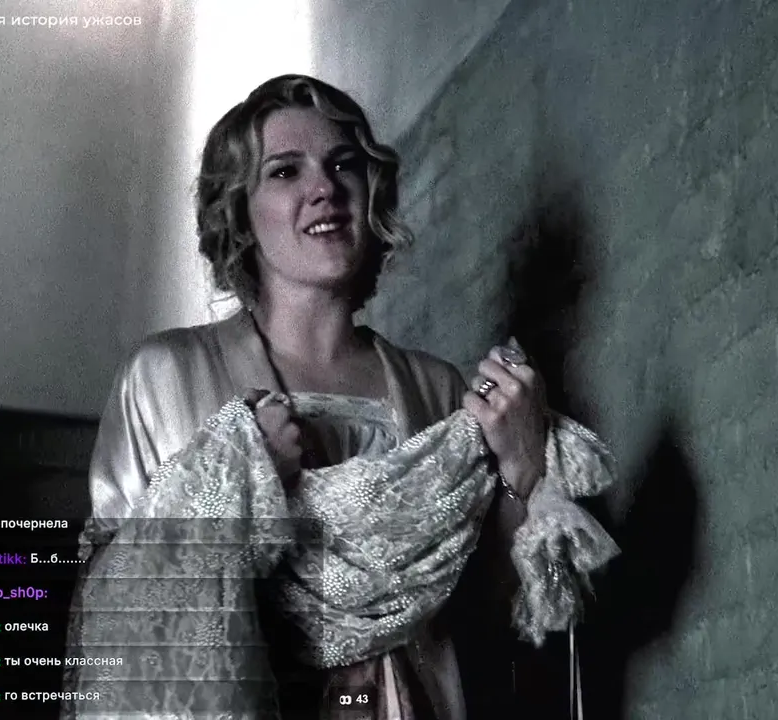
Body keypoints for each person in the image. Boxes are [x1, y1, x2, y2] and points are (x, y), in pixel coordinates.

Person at [71, 74, 606, 719]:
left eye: (343, 164)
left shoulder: (437, 390)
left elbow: (488, 623)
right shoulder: (165, 376)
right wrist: (235, 481)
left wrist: (521, 469)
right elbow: (119, 614)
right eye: (284, 171)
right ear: (240, 211)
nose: (324, 188)